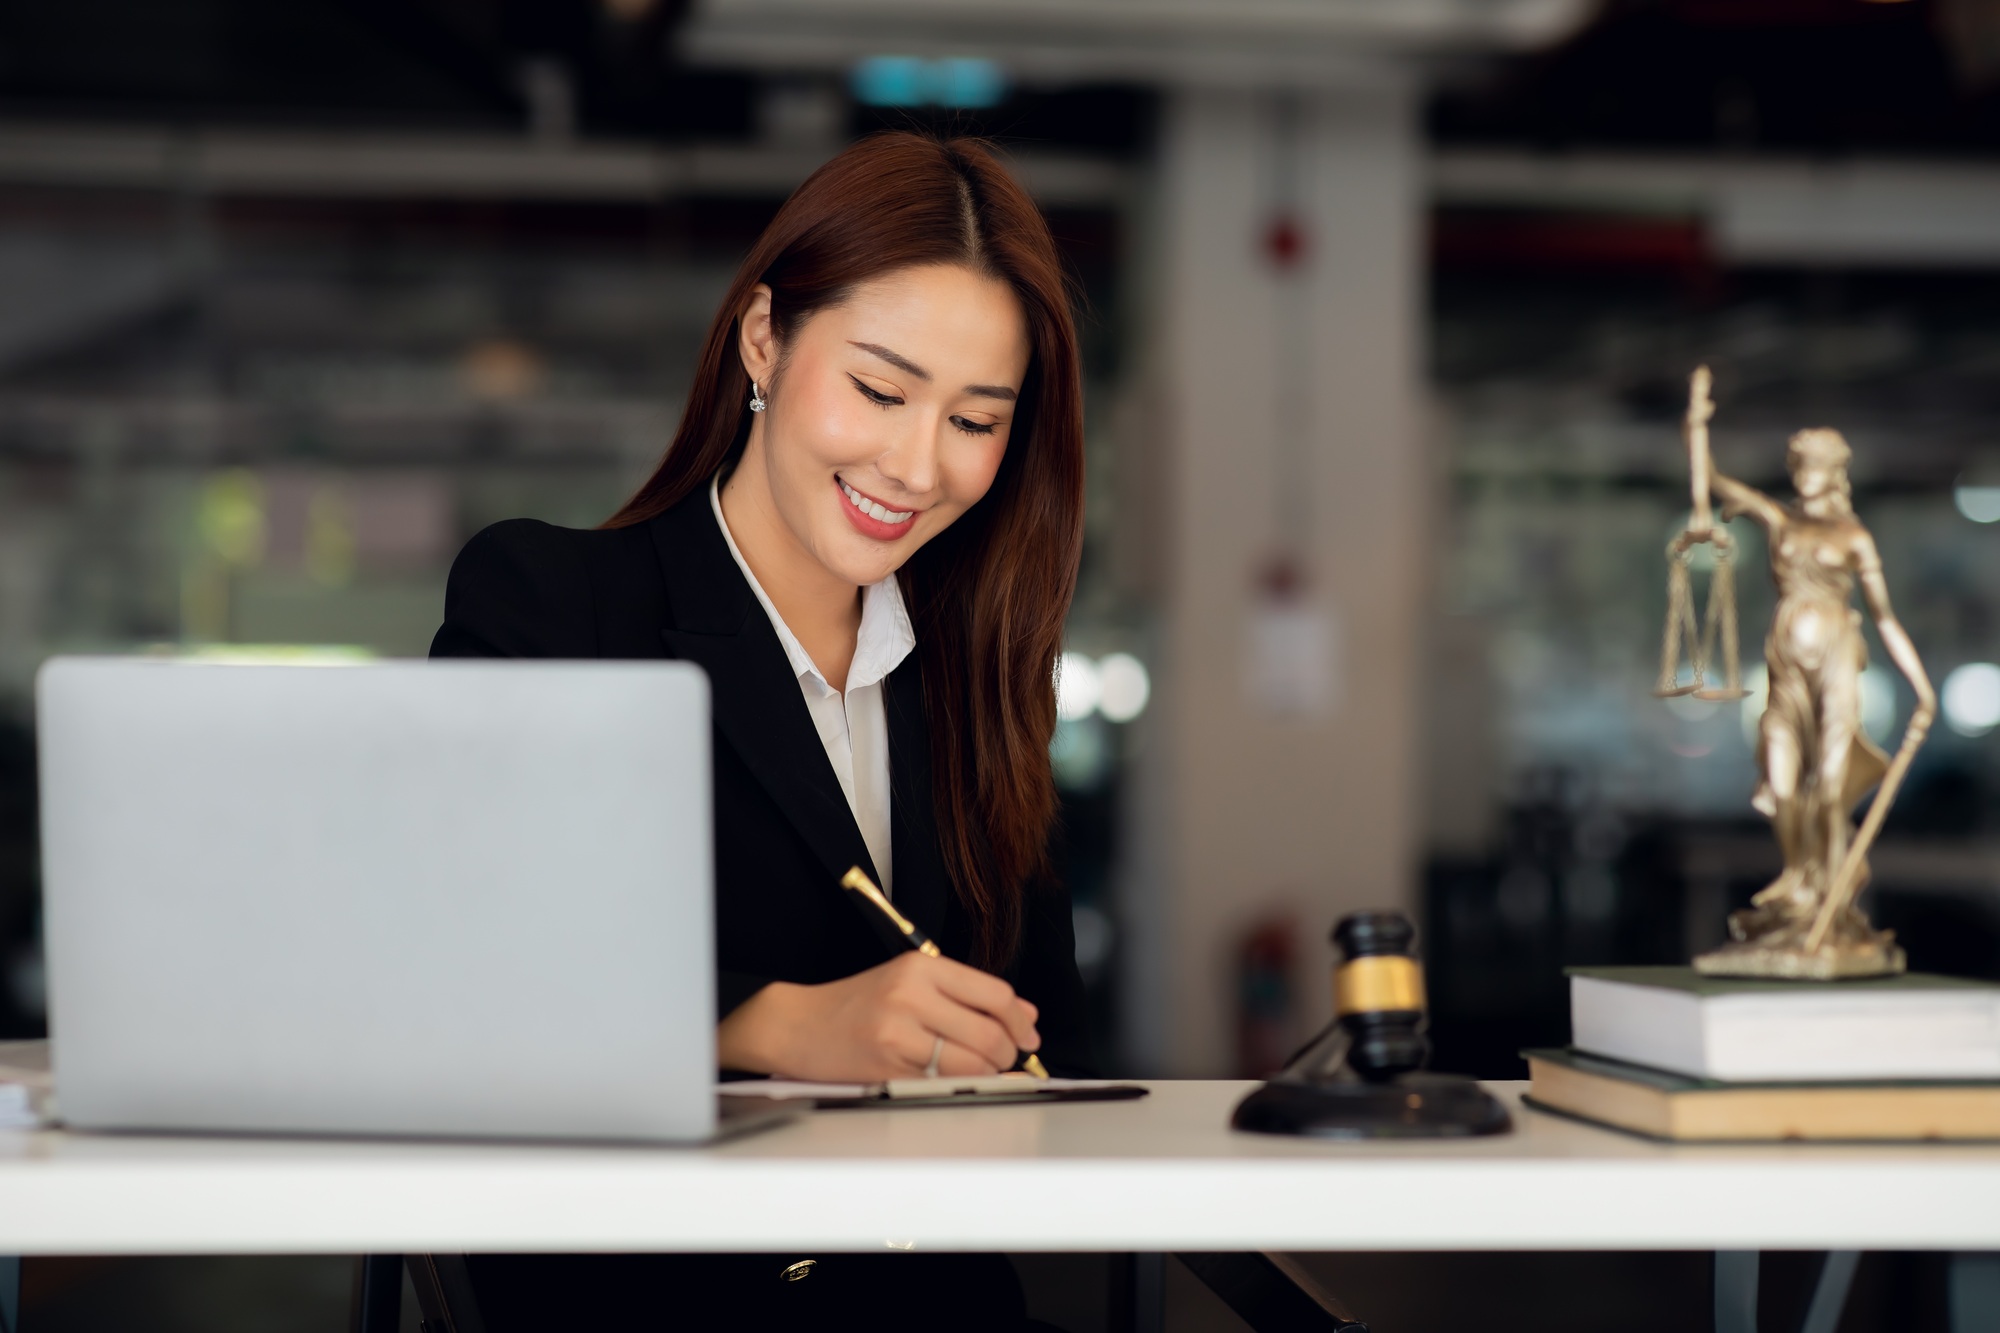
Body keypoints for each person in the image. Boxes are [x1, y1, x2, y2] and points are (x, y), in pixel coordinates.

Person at [430, 132, 1090, 1331]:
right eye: (880, 391)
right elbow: (458, 978)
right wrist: (778, 1022)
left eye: (975, 420)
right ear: (762, 340)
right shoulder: (555, 602)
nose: (915, 464)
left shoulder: (971, 682)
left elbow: (1050, 1056)